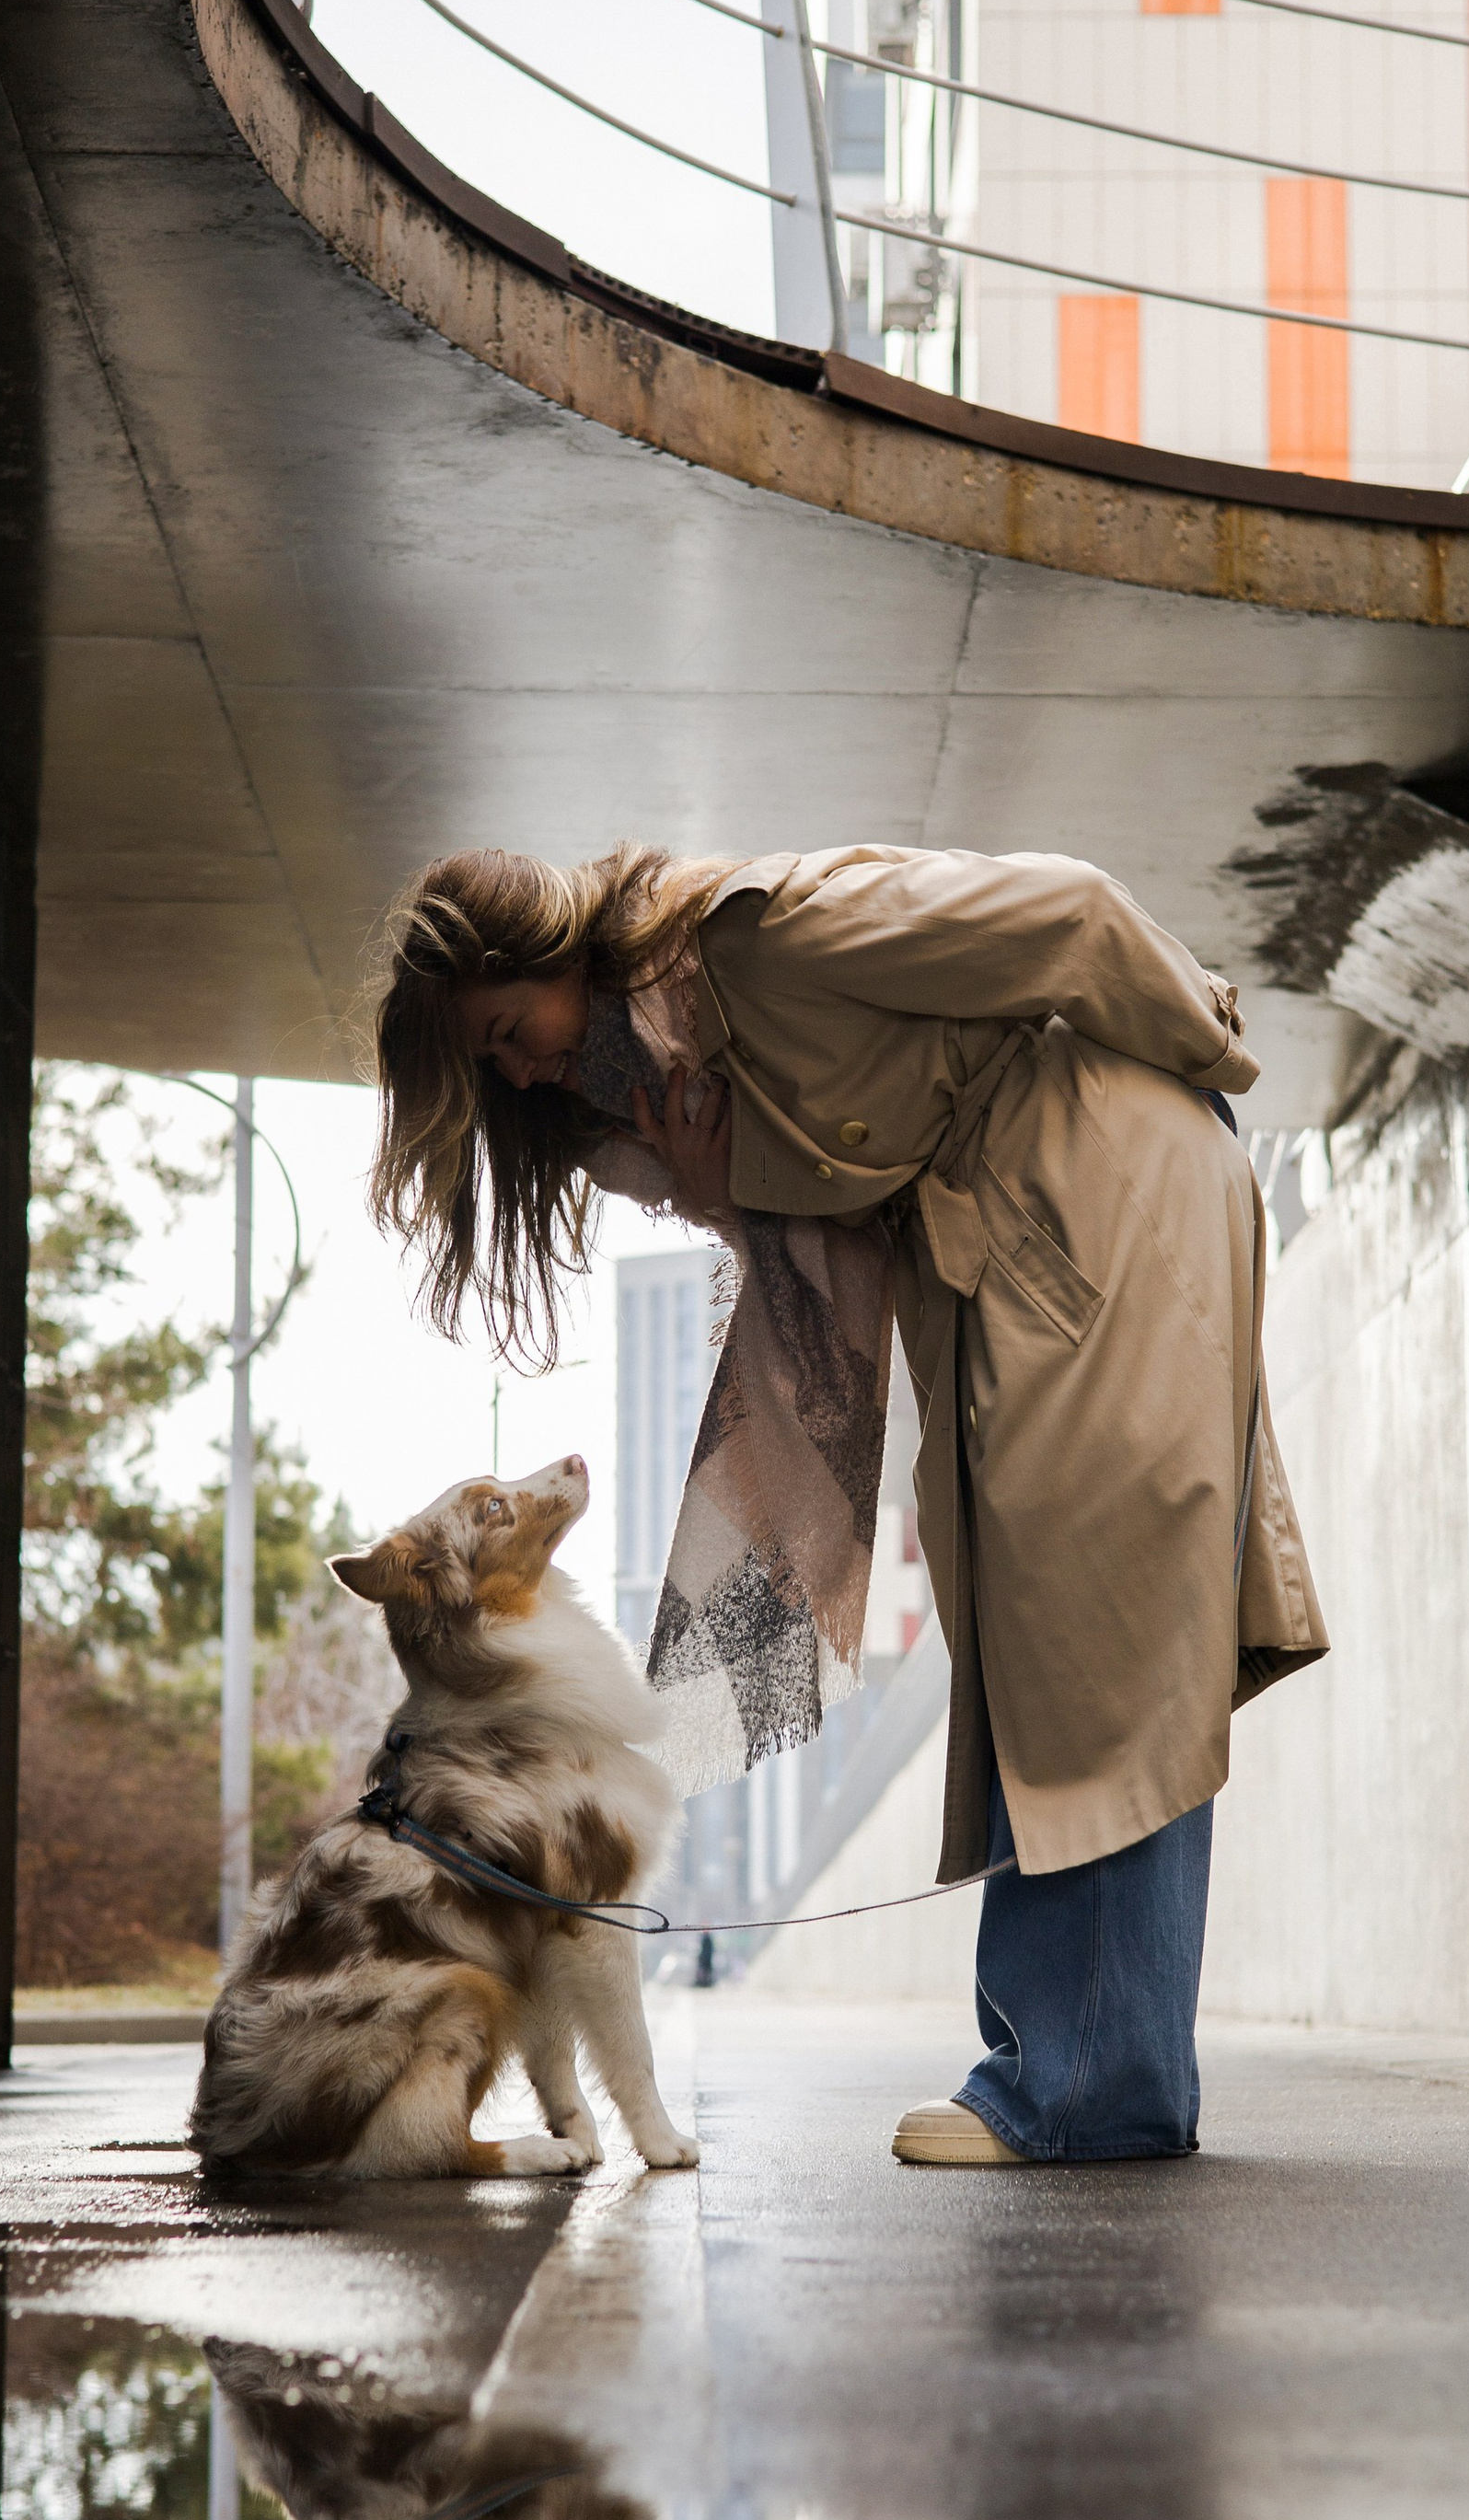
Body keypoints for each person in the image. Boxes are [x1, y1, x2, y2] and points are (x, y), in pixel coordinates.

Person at [368, 843, 1325, 2167]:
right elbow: (862, 1187)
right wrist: (718, 1190)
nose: (521, 1070)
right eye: (493, 1070)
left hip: (1100, 1197)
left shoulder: (759, 939)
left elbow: (1072, 912)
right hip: (1014, 1248)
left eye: (504, 1032)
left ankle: (1090, 2089)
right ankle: (1080, 2070)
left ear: (548, 950)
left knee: (1096, 1651)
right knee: (1050, 1656)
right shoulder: (678, 1071)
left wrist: (1209, 1063)